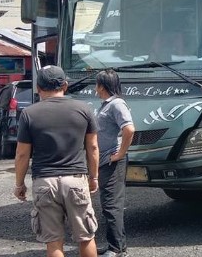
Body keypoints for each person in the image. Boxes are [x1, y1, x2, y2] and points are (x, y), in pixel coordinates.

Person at [13, 65, 99, 257]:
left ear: (38, 88)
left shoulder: (29, 114)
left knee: (53, 241)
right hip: (76, 179)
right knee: (85, 237)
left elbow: (22, 154)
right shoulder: (84, 109)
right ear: (65, 85)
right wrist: (94, 177)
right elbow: (93, 147)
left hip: (44, 182)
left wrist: (19, 184)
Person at [94, 69, 136, 257]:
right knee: (107, 204)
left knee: (112, 205)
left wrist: (119, 154)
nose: (95, 88)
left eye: (97, 84)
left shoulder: (117, 104)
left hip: (113, 162)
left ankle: (117, 249)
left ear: (102, 86)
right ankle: (115, 246)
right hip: (104, 161)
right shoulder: (106, 104)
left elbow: (129, 129)